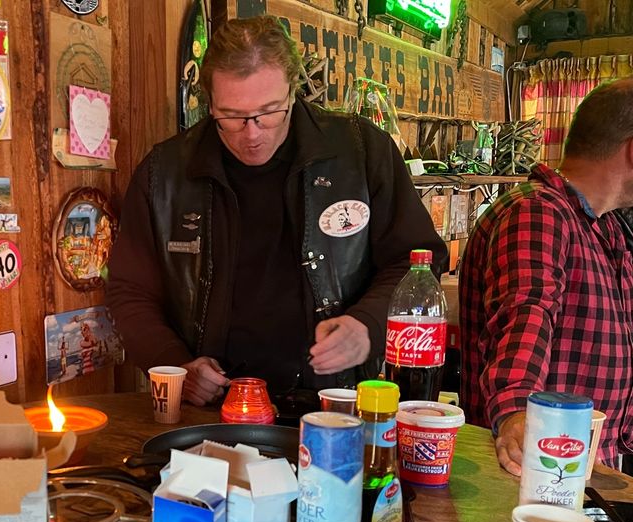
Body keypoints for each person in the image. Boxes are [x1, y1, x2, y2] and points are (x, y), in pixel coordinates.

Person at [107, 16, 446, 407]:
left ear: (293, 90)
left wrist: (368, 326)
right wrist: (175, 366)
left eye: (269, 112)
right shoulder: (163, 173)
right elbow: (129, 291)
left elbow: (416, 261)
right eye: (231, 116)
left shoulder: (362, 152)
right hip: (209, 407)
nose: (252, 134)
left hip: (332, 402)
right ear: (208, 102)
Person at [459, 77, 633, 475]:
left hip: (588, 468)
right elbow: (526, 310)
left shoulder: (604, 227)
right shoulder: (538, 211)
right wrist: (518, 411)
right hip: (534, 473)